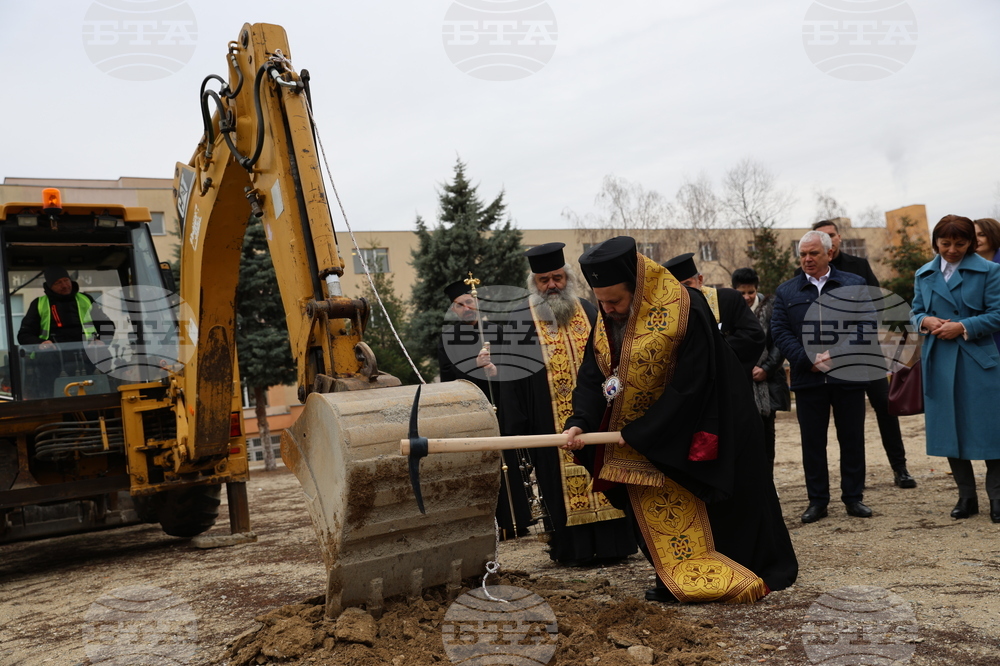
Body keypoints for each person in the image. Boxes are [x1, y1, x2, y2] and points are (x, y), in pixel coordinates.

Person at [562, 236, 797, 604]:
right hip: (643, 433)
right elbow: (595, 374)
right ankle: (674, 576)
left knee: (721, 505)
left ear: (638, 290)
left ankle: (740, 570)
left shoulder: (687, 306)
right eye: (601, 301)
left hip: (703, 421)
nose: (606, 310)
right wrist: (580, 420)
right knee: (651, 501)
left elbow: (694, 382)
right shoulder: (608, 318)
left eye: (615, 301)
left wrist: (641, 431)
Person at [498, 242, 637, 566]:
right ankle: (573, 551)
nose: (552, 285)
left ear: (567, 276)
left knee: (606, 472)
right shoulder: (519, 321)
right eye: (544, 280)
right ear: (534, 282)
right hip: (547, 422)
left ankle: (615, 545)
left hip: (599, 418)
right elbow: (511, 381)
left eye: (557, 277)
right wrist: (517, 426)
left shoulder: (591, 311)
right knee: (558, 484)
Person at [799, 219, 916, 489]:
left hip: (865, 354)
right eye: (822, 236)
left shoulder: (858, 267)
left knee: (885, 407)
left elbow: (877, 302)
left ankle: (900, 468)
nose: (829, 240)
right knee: (838, 425)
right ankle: (838, 486)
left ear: (837, 239)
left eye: (832, 235)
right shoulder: (807, 270)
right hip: (826, 359)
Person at [771, 231, 874, 523]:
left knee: (852, 440)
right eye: (803, 254)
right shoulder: (787, 291)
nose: (807, 259)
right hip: (808, 378)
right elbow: (779, 330)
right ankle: (817, 501)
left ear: (829, 254)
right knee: (813, 443)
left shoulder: (854, 284)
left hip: (848, 377)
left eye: (813, 253)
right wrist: (807, 360)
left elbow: (866, 325)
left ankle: (854, 498)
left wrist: (835, 355)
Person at [911, 215, 1000, 522]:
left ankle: (997, 498)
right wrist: (925, 321)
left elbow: (998, 314)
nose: (952, 249)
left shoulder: (990, 271)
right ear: (935, 242)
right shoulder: (923, 274)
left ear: (971, 243)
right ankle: (966, 497)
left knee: (991, 430)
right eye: (945, 243)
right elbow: (915, 310)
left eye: (960, 243)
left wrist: (963, 325)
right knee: (950, 430)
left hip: (980, 360)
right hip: (940, 359)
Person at [437, 277, 532, 540]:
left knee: (511, 462)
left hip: (504, 406)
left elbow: (513, 367)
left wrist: (494, 367)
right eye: (459, 305)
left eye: (469, 302)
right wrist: (474, 366)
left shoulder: (497, 331)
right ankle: (496, 524)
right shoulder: (449, 338)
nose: (466, 308)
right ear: (454, 310)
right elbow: (450, 376)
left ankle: (519, 520)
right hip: (475, 409)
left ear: (477, 303)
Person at [662, 253, 764, 378]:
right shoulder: (669, 314)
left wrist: (715, 349)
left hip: (728, 379)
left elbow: (753, 335)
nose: (685, 292)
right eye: (677, 288)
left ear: (699, 280)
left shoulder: (728, 299)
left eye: (688, 285)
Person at [18, 266, 115, 396]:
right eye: (58, 283)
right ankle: (50, 401)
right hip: (53, 357)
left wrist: (101, 341)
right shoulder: (39, 304)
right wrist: (40, 343)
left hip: (87, 353)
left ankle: (108, 396)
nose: (64, 285)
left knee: (103, 354)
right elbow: (24, 334)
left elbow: (107, 325)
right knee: (45, 360)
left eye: (66, 280)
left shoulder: (85, 300)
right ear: (49, 286)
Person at [731, 267, 789, 476]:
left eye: (751, 292)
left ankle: (768, 483)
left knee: (766, 436)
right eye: (742, 293)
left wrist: (767, 368)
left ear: (757, 289)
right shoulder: (730, 310)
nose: (747, 297)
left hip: (768, 383)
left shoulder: (771, 308)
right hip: (741, 384)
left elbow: (780, 341)